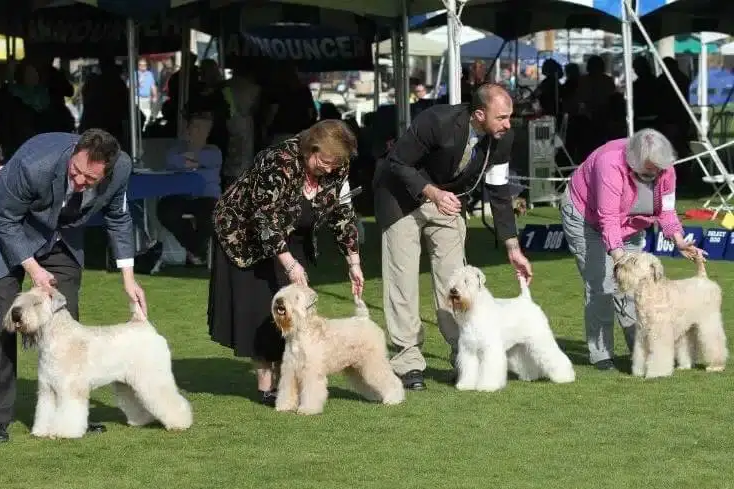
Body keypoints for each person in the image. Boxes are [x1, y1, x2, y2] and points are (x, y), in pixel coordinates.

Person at [0, 129, 147, 442]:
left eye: (90, 179)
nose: (79, 182)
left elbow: (118, 218)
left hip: (60, 231)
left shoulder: (121, 168)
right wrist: (33, 269)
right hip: (1, 227)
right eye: (75, 172)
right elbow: (5, 219)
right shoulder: (34, 163)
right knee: (4, 314)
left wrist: (128, 279)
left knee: (67, 310)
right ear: (73, 152)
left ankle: (71, 412)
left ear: (107, 170)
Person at [373, 83, 533, 391]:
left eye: (510, 116)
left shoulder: (503, 137)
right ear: (478, 114)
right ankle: (408, 362)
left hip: (446, 202)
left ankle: (462, 354)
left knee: (455, 281)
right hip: (401, 198)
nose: (508, 124)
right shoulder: (436, 121)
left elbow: (499, 192)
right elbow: (398, 161)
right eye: (501, 117)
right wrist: (432, 192)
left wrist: (513, 247)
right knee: (402, 281)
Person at [208, 119, 364, 406]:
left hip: (294, 232)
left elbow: (342, 212)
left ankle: (290, 379)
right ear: (310, 149)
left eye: (335, 164)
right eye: (324, 162)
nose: (329, 169)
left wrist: (353, 261)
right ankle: (267, 385)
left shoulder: (337, 165)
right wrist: (289, 263)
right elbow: (264, 218)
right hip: (246, 235)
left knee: (295, 306)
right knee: (261, 306)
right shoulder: (277, 160)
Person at [559, 128, 705, 371]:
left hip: (632, 223)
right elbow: (608, 218)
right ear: (634, 162)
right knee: (602, 285)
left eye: (659, 170)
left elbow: (667, 211)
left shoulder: (665, 167)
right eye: (650, 171)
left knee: (635, 289)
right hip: (587, 217)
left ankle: (639, 350)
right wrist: (620, 258)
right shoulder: (610, 164)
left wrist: (679, 240)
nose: (656, 175)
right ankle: (602, 355)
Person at [158, 106, 222, 266]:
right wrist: (196, 161)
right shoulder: (175, 149)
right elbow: (172, 160)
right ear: (188, 130)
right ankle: (196, 249)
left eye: (203, 128)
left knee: (211, 215)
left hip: (206, 197)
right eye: (196, 127)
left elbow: (208, 160)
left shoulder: (214, 151)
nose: (199, 132)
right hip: (180, 195)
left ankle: (194, 251)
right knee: (165, 211)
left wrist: (190, 160)